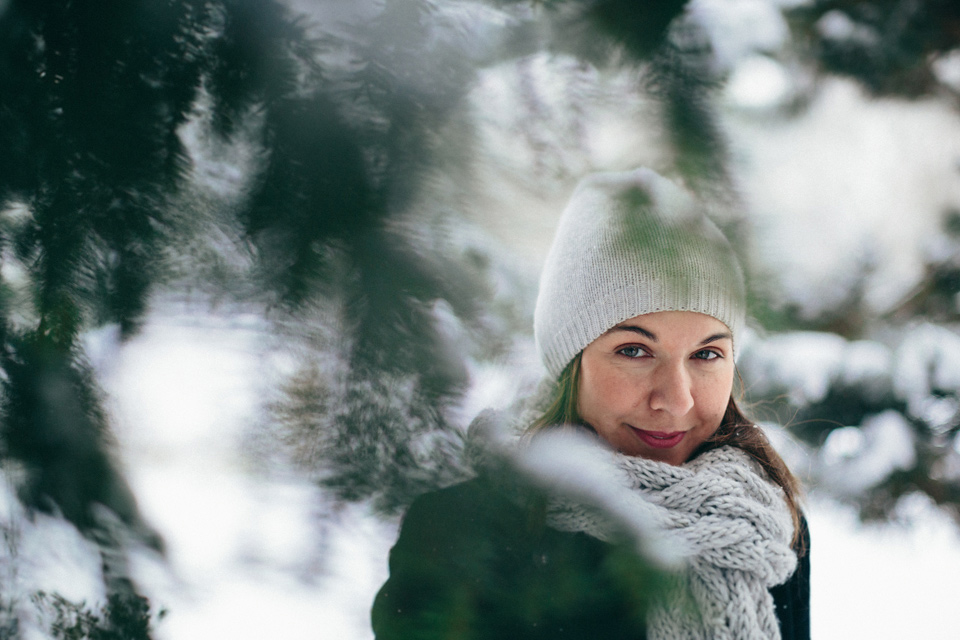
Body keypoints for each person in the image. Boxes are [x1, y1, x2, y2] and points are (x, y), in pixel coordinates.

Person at [371, 168, 810, 640]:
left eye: (706, 354)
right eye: (634, 351)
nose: (677, 399)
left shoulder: (762, 524)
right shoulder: (457, 535)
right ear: (570, 364)